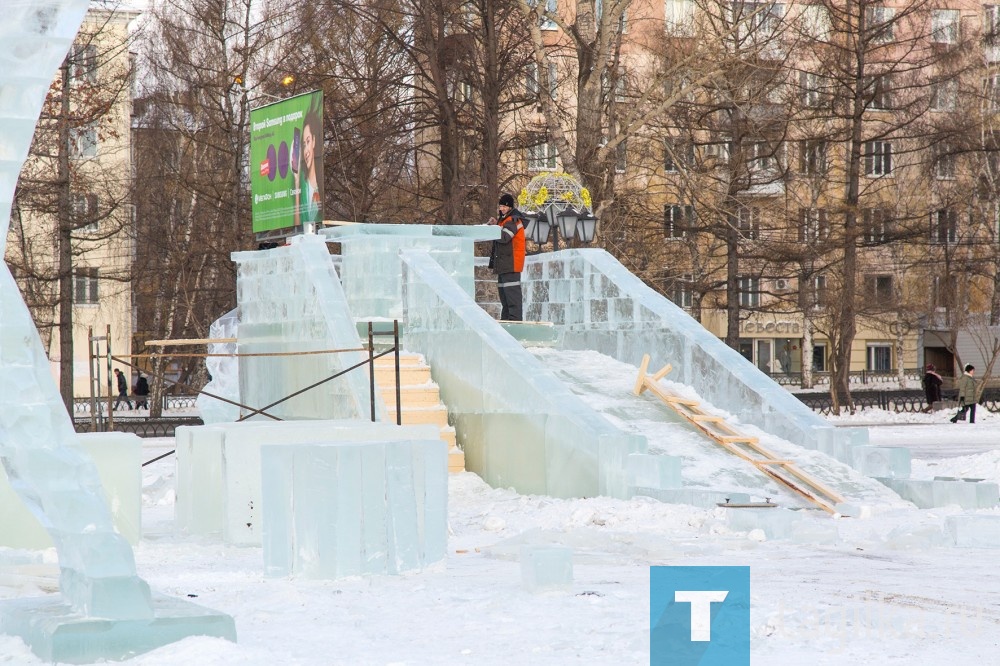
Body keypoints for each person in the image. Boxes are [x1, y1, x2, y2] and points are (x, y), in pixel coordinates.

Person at [488, 193, 526, 321]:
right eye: (501, 206)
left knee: (512, 298)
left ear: (510, 207)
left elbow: (504, 237)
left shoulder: (514, 220)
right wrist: (496, 224)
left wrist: (494, 228)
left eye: (505, 206)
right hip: (504, 265)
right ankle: (506, 324)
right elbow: (502, 231)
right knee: (505, 299)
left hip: (512, 264)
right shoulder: (504, 220)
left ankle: (515, 325)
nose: (502, 209)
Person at [293, 108, 324, 228]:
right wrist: (296, 185)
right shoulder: (302, 184)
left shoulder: (322, 185)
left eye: (308, 141)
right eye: (303, 144)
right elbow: (297, 226)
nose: (306, 150)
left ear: (315, 141)